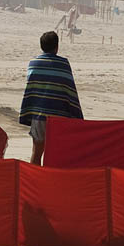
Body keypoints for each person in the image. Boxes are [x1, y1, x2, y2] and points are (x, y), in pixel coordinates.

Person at [19, 31, 82, 165]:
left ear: (41, 46)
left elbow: (32, 90)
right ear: (57, 47)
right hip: (59, 117)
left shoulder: (33, 63)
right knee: (56, 154)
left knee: (36, 152)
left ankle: (34, 181)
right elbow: (69, 90)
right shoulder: (64, 64)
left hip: (39, 115)